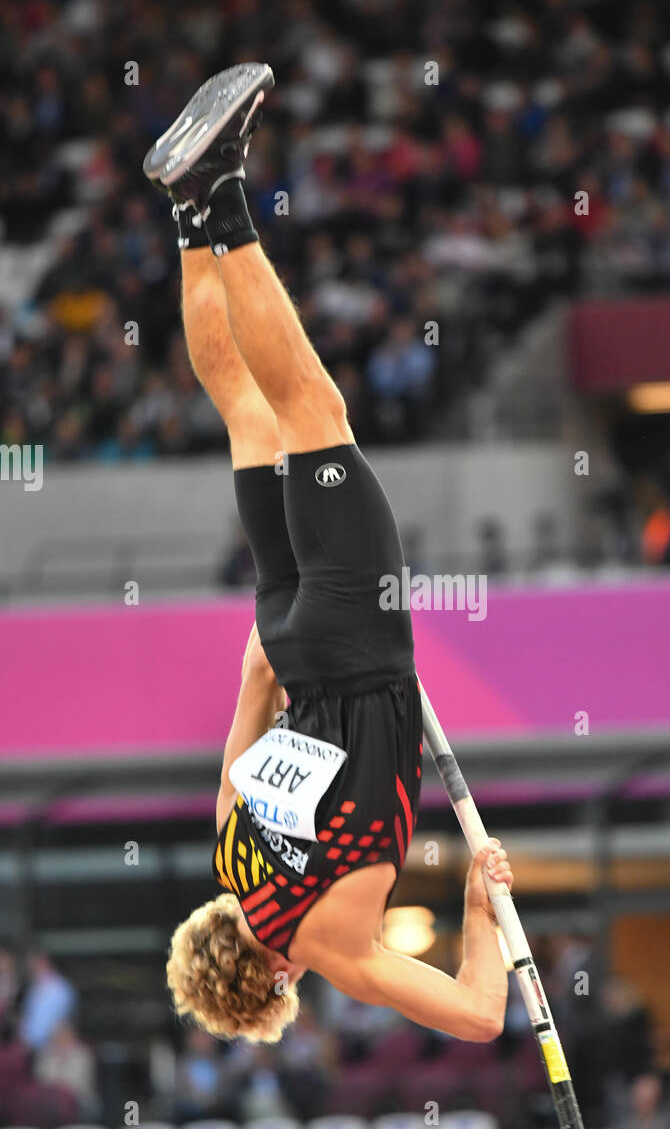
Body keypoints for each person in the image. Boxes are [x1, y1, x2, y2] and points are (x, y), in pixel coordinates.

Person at [148, 65, 513, 1046]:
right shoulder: (234, 851)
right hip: (290, 635)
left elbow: (480, 1018)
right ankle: (189, 223)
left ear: (268, 991)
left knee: (314, 413)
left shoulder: (331, 945)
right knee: (248, 416)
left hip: (356, 650)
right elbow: (255, 669)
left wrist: (481, 903)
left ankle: (221, 196)